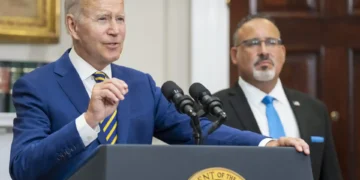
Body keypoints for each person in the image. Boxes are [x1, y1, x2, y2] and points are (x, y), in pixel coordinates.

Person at [9, 1, 310, 180]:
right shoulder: (36, 86)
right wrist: (87, 122)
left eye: (121, 18)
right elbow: (22, 167)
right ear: (73, 27)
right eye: (103, 19)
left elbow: (197, 130)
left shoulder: (140, 84)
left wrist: (266, 144)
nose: (115, 29)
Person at [211, 14, 342, 180]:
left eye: (271, 42)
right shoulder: (215, 109)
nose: (264, 51)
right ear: (235, 55)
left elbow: (330, 174)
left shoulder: (314, 109)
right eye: (253, 43)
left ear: (282, 52)